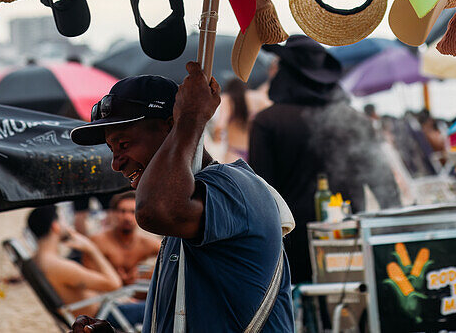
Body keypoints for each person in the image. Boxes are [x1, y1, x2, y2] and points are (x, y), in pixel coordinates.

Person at [67, 65, 294, 333]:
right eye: (112, 149)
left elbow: (154, 211)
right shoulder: (187, 204)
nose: (116, 164)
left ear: (171, 128)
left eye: (124, 144)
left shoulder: (234, 188)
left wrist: (190, 119)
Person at [249, 36, 399, 285]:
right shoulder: (356, 120)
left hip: (291, 249)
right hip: (350, 243)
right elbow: (386, 188)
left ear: (286, 74)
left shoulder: (268, 122)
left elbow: (261, 197)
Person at [26, 204, 145, 328]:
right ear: (55, 226)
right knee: (160, 307)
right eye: (63, 220)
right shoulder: (59, 266)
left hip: (103, 309)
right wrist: (91, 248)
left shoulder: (38, 261)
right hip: (107, 316)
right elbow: (115, 284)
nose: (67, 225)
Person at [91, 190, 161, 285]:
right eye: (122, 211)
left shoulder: (145, 243)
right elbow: (90, 278)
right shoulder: (99, 241)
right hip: (106, 292)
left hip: (135, 293)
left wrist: (144, 275)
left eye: (133, 212)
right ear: (114, 213)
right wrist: (112, 277)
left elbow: (170, 253)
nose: (127, 217)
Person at [211, 77, 251, 162]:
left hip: (234, 153)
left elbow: (220, 125)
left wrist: (216, 137)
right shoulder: (253, 99)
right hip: (252, 151)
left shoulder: (227, 99)